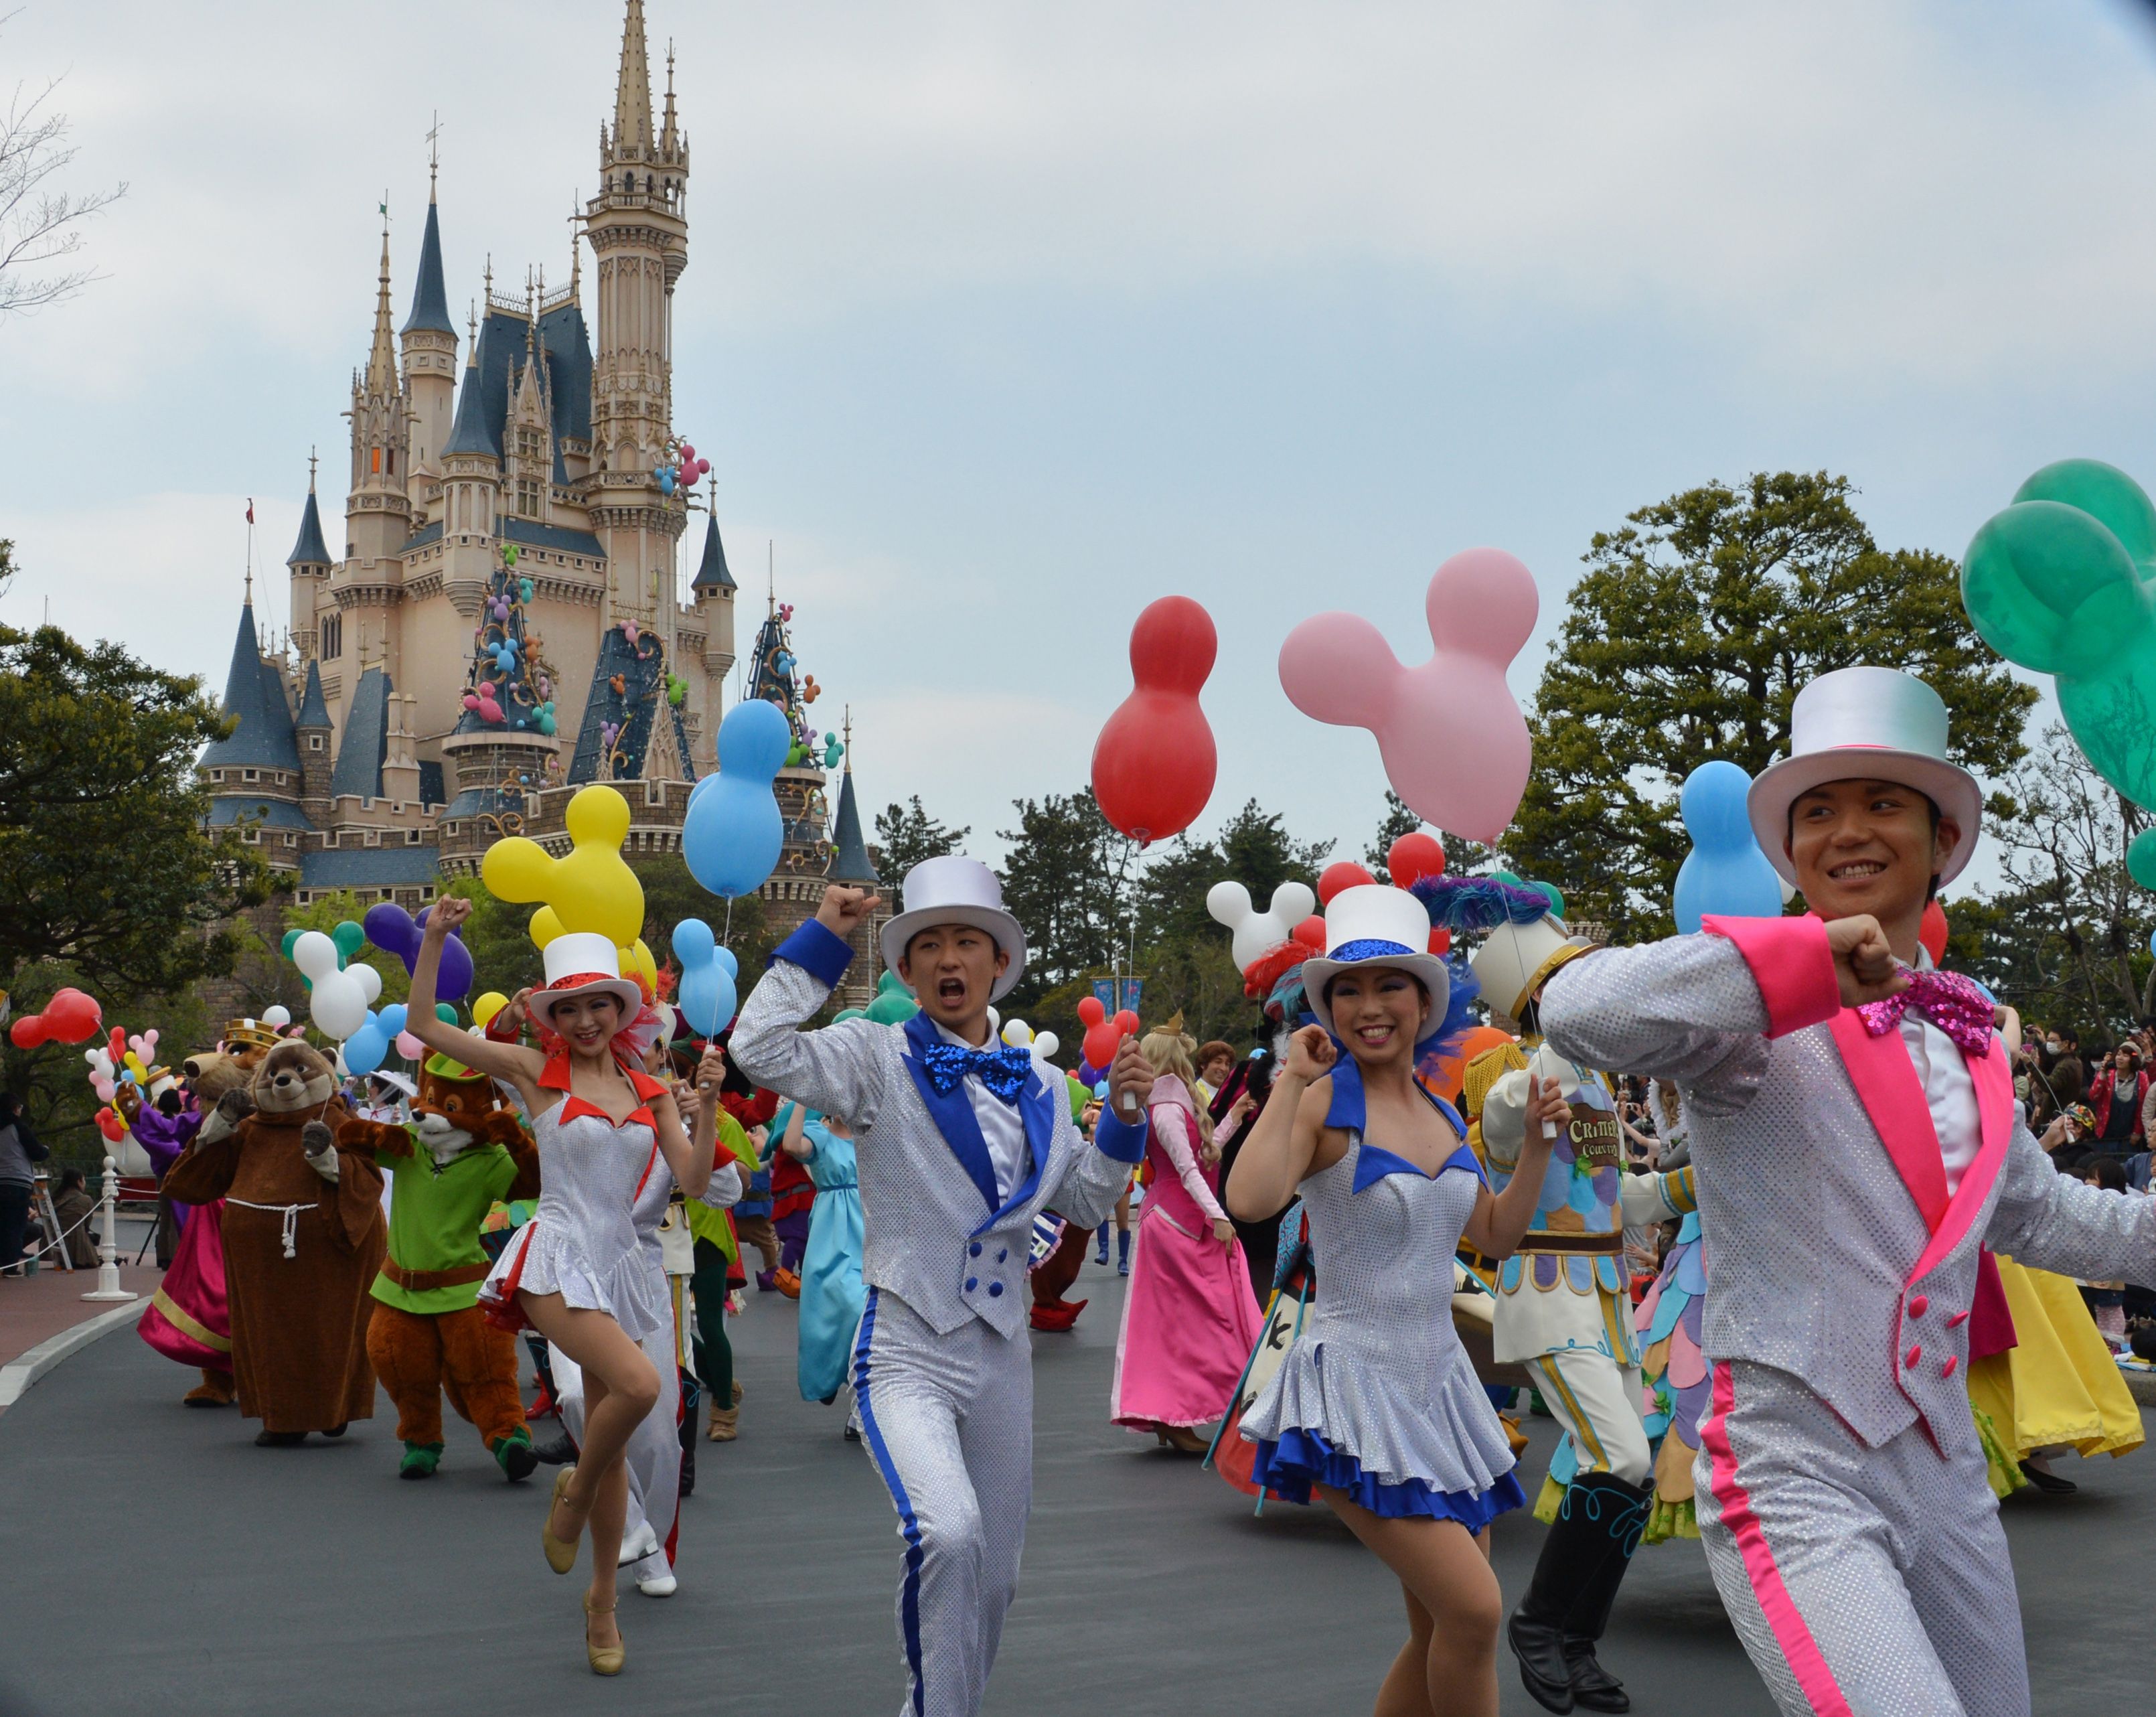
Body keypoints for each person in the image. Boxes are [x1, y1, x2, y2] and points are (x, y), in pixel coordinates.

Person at [1537, 665, 2156, 1717]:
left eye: (1883, 802)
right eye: (1817, 812)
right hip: (1793, 1473)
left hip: (1949, 1473)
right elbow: (1574, 1009)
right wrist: (1791, 968)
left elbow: (2046, 1216)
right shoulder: (1750, 1017)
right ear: (1790, 851)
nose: (1849, 831)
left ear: (1943, 841)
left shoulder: (1974, 1043)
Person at [729, 858, 1154, 1717]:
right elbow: (758, 1047)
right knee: (946, 1531)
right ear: (907, 967)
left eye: (968, 940)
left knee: (994, 1576)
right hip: (907, 1343)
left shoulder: (1039, 1082)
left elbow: (1081, 1198)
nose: (949, 958)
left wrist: (1124, 1121)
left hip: (1003, 1354)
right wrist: (822, 933)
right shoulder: (874, 1054)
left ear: (999, 960)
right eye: (930, 944)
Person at [1227, 883, 1564, 1717]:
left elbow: (1492, 1235)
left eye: (1389, 986)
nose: (1368, 1006)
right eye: (1348, 989)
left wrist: (1538, 1151)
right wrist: (1288, 1079)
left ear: (1425, 1002)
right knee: (1476, 1609)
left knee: (1440, 1631)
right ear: (1326, 1004)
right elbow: (1250, 1198)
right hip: (1352, 1386)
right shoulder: (1319, 1104)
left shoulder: (1446, 1114)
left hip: (1441, 1394)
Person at [405, 901, 722, 1677]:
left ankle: (603, 1601)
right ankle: (574, 1493)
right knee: (639, 1384)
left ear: (623, 1009)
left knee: (617, 1430)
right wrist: (438, 938)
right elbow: (425, 1025)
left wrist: (706, 1105)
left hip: (628, 1268)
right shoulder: (531, 1071)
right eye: (570, 1005)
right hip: (555, 1256)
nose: (586, 1019)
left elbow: (692, 1178)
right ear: (552, 1014)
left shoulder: (651, 1087)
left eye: (599, 1004)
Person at [1110, 1015, 1263, 1451]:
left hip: (1181, 1222)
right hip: (1179, 1226)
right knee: (1196, 1324)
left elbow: (1204, 1155)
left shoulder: (1173, 1102)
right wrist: (1219, 1217)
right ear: (1176, 1057)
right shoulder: (1167, 1108)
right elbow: (1188, 1169)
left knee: (1183, 1326)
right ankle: (1180, 1415)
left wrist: (1233, 1115)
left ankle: (1177, 1414)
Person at [779, 1099, 867, 1422]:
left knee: (868, 1315)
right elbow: (790, 1144)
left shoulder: (872, 1136)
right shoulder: (820, 1134)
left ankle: (858, 1411)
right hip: (832, 1235)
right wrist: (804, 1098)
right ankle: (834, 1372)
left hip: (870, 1229)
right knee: (848, 1306)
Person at [0, 1094, 47, 1275]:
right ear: (14, 1108)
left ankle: (6, 1260)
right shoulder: (17, 1127)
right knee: (15, 1225)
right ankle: (10, 1266)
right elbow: (37, 1152)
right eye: (20, 1107)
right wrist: (45, 1151)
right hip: (17, 1181)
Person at [2088, 1045, 2147, 1161]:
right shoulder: (2108, 1075)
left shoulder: (2142, 1078)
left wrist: (2137, 1131)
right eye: (2118, 1054)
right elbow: (2093, 1096)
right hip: (2105, 1135)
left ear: (2134, 1059)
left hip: (2128, 1138)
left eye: (2125, 1055)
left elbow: (2142, 1107)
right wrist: (2102, 1074)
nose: (2120, 1058)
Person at [52, 1167, 100, 1270]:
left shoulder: (55, 1198)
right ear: (79, 1181)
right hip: (77, 1242)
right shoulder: (85, 1200)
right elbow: (87, 1224)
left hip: (53, 1239)